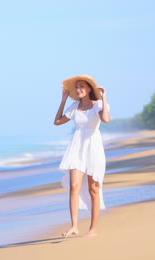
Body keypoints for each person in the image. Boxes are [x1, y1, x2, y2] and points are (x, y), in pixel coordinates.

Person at [54, 74, 111, 238]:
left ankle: (93, 229)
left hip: (93, 147)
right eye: (76, 87)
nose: (78, 89)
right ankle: (74, 226)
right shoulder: (74, 107)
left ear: (89, 89)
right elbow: (57, 122)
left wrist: (103, 97)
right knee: (74, 187)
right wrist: (63, 100)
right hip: (76, 147)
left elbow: (106, 119)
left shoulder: (97, 105)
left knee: (94, 188)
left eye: (82, 86)